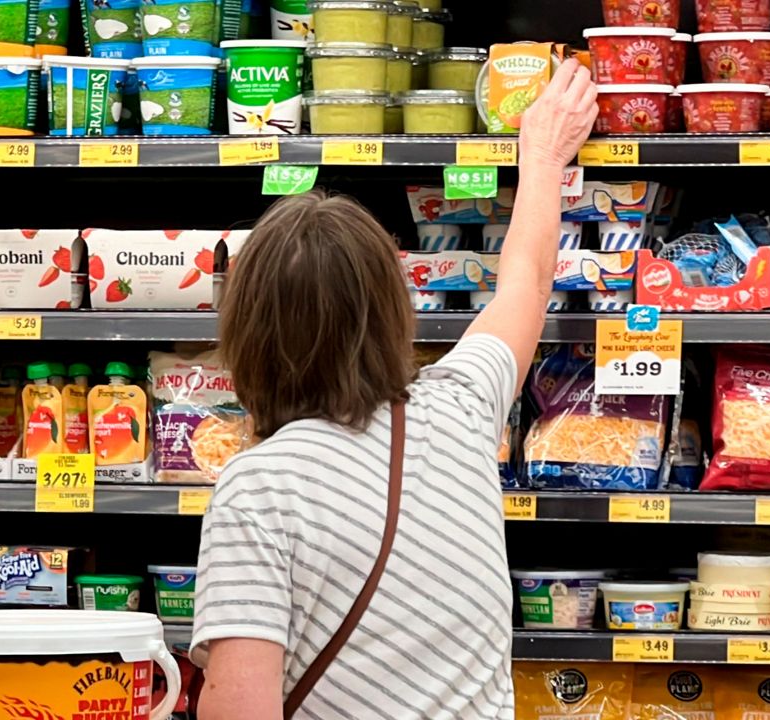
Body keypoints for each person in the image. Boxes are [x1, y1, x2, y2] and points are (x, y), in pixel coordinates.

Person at [190, 59, 599, 720]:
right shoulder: (460, 408)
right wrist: (545, 154)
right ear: (392, 311)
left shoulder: (260, 489)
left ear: (245, 331)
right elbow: (527, 274)